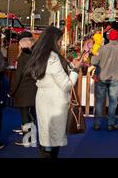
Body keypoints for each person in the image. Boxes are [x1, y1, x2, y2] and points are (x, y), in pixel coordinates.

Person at [26, 26, 82, 158]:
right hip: (55, 101)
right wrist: (75, 70)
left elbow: (51, 75)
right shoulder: (53, 58)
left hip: (43, 97)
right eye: (60, 40)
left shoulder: (39, 55)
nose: (60, 43)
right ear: (53, 40)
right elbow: (66, 85)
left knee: (46, 136)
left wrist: (72, 66)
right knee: (52, 141)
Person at [91, 29, 118, 131]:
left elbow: (93, 61)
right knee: (113, 101)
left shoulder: (101, 49)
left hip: (102, 77)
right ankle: (111, 124)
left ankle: (97, 123)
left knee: (100, 101)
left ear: (108, 38)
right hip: (115, 78)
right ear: (117, 38)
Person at [10, 31, 37, 146]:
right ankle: (32, 138)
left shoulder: (23, 57)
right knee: (30, 115)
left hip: (23, 90)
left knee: (25, 116)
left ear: (22, 43)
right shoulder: (34, 54)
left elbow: (18, 76)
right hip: (32, 89)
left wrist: (12, 90)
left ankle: (28, 140)